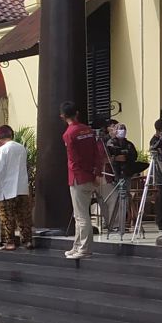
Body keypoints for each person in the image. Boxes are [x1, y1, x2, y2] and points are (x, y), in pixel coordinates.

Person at [61, 102, 104, 260]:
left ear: (63, 116)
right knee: (80, 214)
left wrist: (79, 174)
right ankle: (77, 246)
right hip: (90, 176)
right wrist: (97, 173)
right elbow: (97, 153)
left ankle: (84, 248)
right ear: (77, 113)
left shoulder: (69, 133)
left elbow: (73, 159)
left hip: (78, 177)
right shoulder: (88, 130)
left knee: (81, 216)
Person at [0, 125, 32, 251]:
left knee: (6, 217)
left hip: (6, 189)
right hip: (21, 187)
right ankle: (27, 241)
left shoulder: (2, 150)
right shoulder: (21, 147)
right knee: (23, 216)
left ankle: (9, 242)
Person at [101, 122, 139, 232]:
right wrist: (116, 158)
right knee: (114, 199)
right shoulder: (110, 143)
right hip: (114, 175)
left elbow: (133, 156)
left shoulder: (129, 144)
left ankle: (122, 223)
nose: (122, 130)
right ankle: (112, 222)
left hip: (126, 173)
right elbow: (108, 156)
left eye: (123, 129)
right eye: (120, 129)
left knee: (125, 199)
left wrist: (125, 156)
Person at [149, 117, 162, 231]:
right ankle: (161, 222)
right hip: (160, 171)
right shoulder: (154, 140)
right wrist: (161, 140)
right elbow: (152, 149)